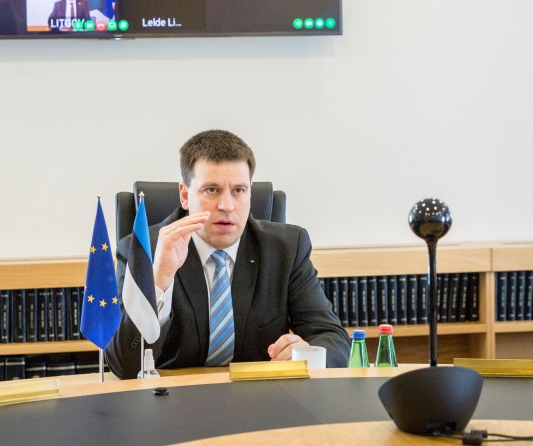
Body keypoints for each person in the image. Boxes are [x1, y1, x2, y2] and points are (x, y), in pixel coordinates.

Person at [104, 130, 350, 379]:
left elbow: (333, 338)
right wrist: (160, 282)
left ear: (250, 193)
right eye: (212, 189)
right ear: (185, 195)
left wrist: (308, 354)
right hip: (172, 395)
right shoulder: (143, 251)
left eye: (239, 190)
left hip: (260, 395)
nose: (227, 206)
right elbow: (124, 366)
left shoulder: (286, 248)